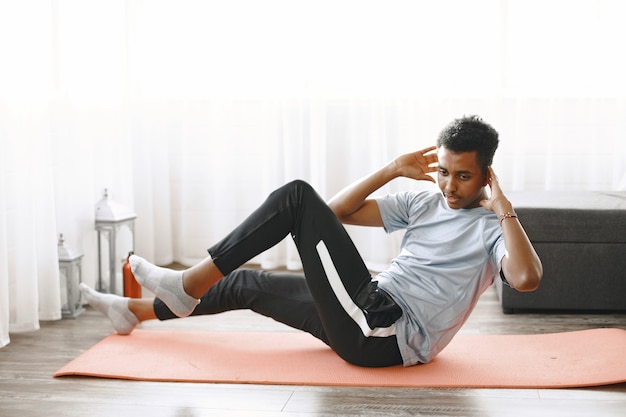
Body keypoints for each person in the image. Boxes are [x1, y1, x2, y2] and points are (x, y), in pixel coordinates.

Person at [80, 115, 542, 368]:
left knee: (296, 197)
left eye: (464, 176)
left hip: (385, 330)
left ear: (487, 174)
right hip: (368, 310)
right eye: (443, 171)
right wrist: (390, 170)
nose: (449, 185)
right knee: (245, 284)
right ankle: (135, 311)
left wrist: (503, 206)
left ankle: (187, 285)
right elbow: (338, 212)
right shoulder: (424, 203)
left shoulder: (492, 227)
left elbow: (525, 279)